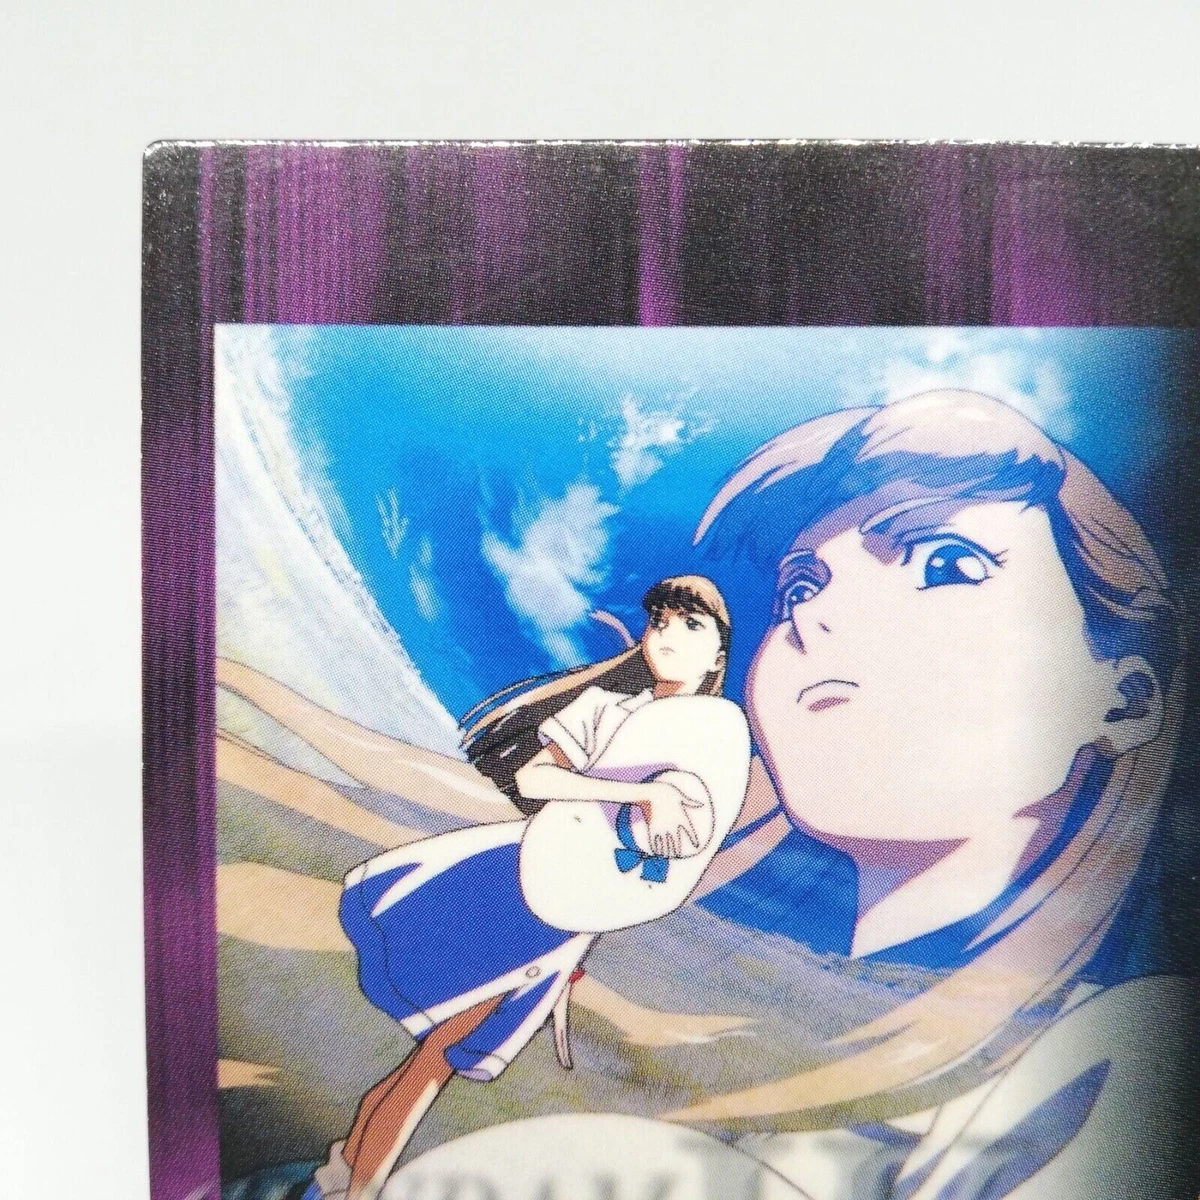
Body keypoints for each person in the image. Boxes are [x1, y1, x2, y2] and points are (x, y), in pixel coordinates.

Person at [306, 575, 750, 1200]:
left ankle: (344, 1175)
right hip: (514, 880)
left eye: (690, 625)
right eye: (660, 622)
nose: (669, 636)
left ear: (718, 653)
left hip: (562, 920)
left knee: (436, 1056)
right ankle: (352, 1182)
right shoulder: (604, 708)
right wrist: (638, 792)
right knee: (436, 1054)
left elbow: (675, 857)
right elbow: (536, 780)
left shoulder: (717, 735)